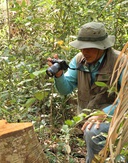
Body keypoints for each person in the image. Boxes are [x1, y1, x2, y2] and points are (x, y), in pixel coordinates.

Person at [47, 22, 123, 163]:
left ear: (102, 47)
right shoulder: (79, 60)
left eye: (89, 48)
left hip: (118, 118)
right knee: (92, 133)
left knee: (93, 132)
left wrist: (104, 113)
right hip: (89, 118)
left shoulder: (120, 62)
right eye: (82, 47)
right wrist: (59, 75)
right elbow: (65, 89)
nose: (84, 51)